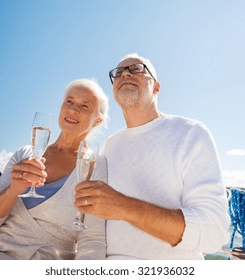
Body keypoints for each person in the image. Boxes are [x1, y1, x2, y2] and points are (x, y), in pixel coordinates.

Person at [75, 53, 230, 259]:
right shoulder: (109, 146)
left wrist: (124, 207)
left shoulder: (190, 133)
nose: (125, 74)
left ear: (156, 87)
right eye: (119, 72)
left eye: (137, 69)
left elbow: (213, 233)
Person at [0, 78, 109, 259]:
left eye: (85, 106)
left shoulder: (94, 166)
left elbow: (93, 239)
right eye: (69, 101)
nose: (73, 109)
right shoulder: (25, 154)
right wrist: (13, 190)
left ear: (97, 120)